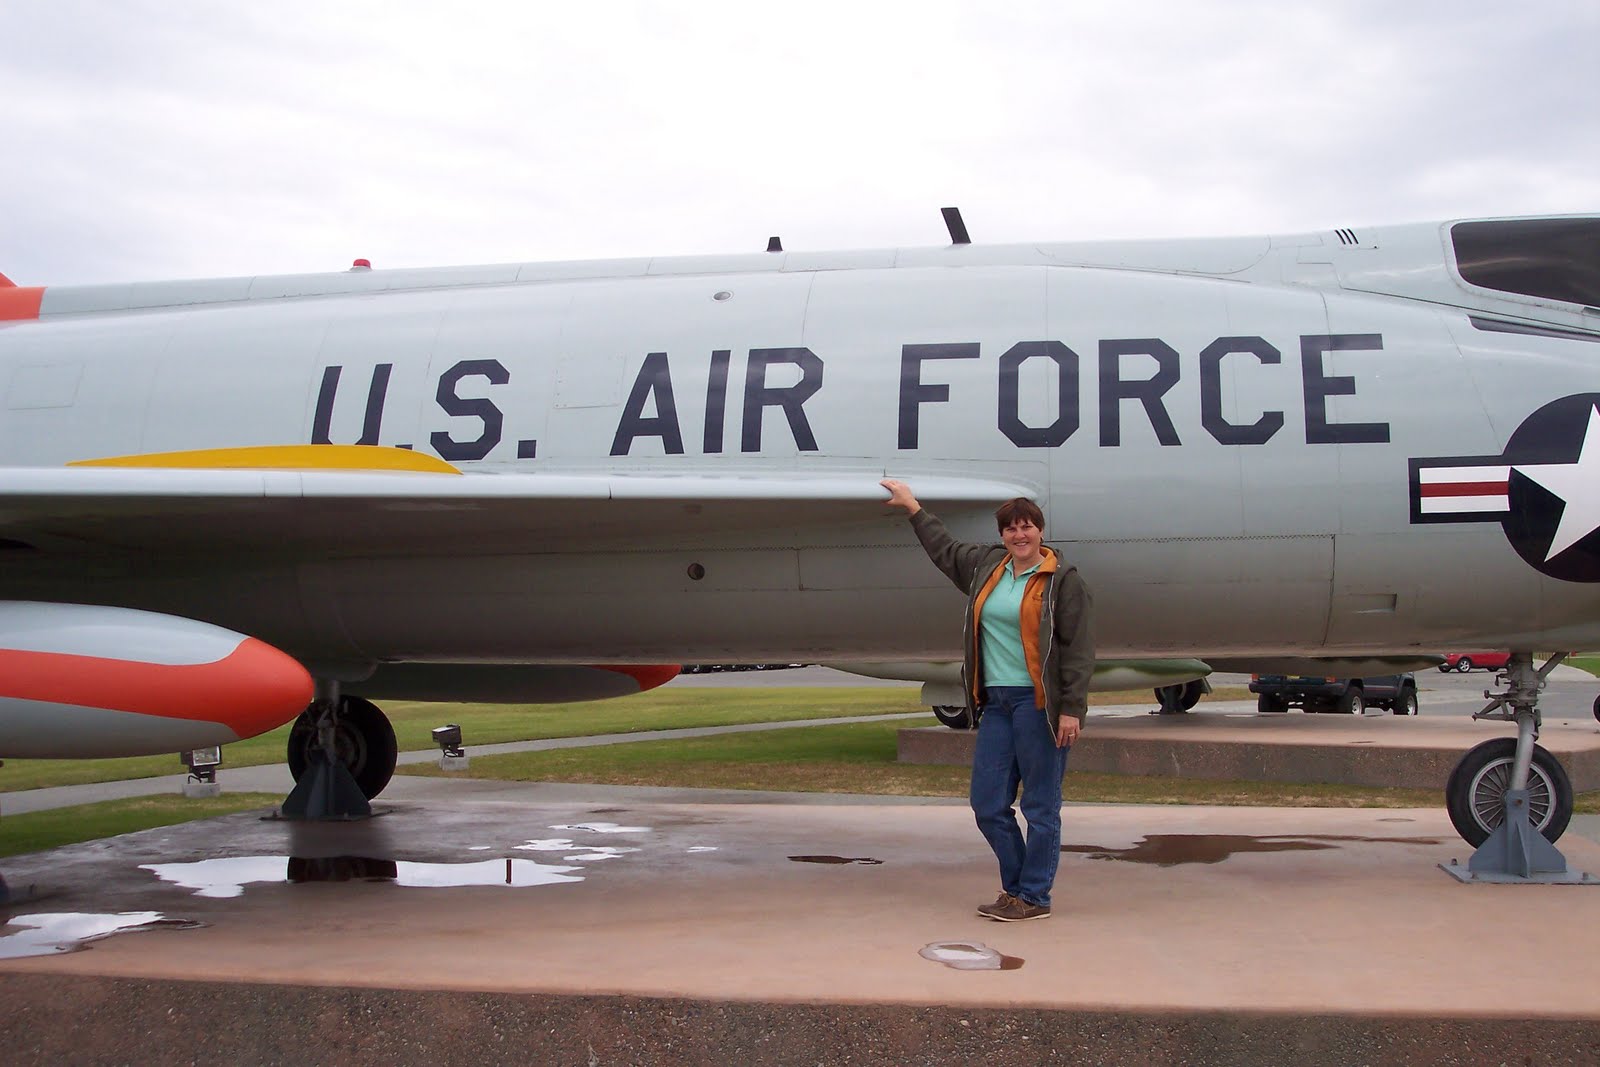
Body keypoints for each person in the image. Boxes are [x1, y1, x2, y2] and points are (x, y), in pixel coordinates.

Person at [880, 478, 1094, 922]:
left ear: (1040, 530)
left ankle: (1034, 895)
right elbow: (945, 550)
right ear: (1002, 536)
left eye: (1028, 527)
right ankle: (1016, 889)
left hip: (1040, 705)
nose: (1020, 535)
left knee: (1040, 805)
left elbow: (1078, 650)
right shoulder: (987, 568)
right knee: (988, 804)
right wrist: (913, 507)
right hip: (995, 702)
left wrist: (1073, 708)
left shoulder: (1062, 580)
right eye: (1011, 528)